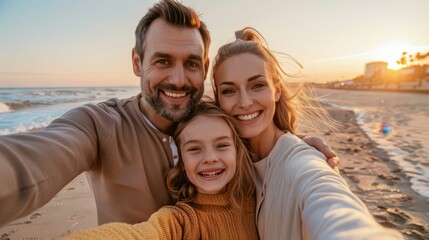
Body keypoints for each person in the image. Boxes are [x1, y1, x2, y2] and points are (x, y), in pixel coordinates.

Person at [0, 0, 338, 227]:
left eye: (191, 64)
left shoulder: (216, 120)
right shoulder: (99, 125)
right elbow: (32, 162)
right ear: (137, 62)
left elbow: (258, 133)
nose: (178, 79)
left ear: (205, 68)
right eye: (162, 61)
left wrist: (292, 147)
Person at [211, 27, 403, 239]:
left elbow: (330, 202)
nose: (245, 102)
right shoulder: (219, 162)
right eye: (229, 90)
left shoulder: (302, 160)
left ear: (277, 90)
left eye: (257, 85)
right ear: (218, 99)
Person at [61, 101, 258, 239]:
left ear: (237, 151)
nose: (210, 158)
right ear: (181, 160)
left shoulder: (255, 202)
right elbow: (143, 234)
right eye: (194, 149)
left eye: (222, 145)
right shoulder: (181, 220)